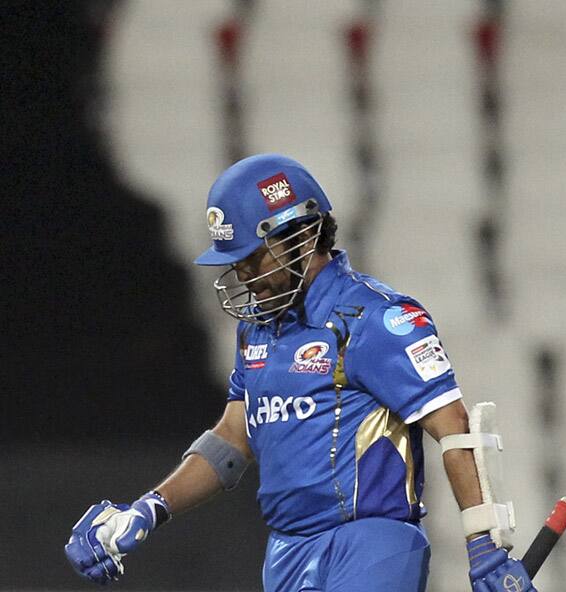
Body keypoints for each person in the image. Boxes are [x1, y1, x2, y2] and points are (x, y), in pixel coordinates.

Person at [65, 154, 535, 591]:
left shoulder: (374, 319)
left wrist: (484, 543)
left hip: (369, 544)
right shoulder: (257, 330)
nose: (245, 276)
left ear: (298, 236)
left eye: (252, 258)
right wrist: (150, 508)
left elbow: (454, 428)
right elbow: (234, 436)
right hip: (286, 551)